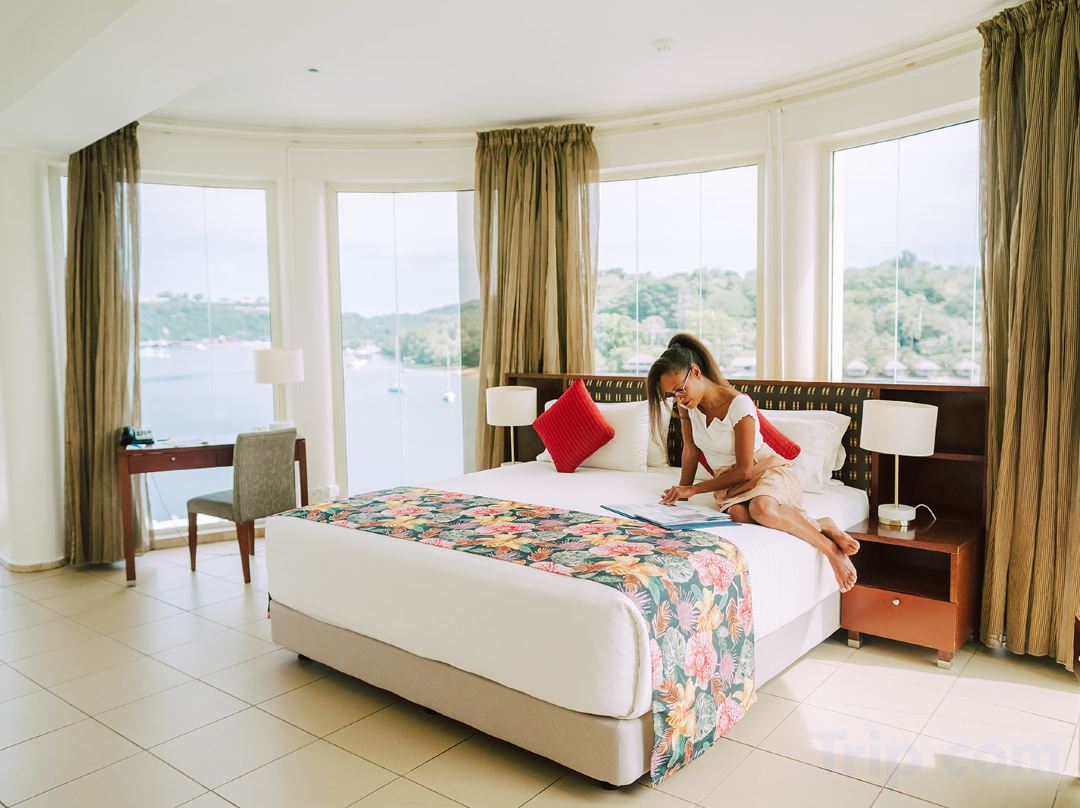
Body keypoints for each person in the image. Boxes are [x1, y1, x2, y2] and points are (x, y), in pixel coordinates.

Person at [646, 333, 859, 592]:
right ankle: (821, 523)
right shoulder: (687, 406)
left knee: (762, 510)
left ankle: (830, 550)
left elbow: (745, 470)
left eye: (680, 389)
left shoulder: (739, 404)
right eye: (672, 395)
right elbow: (690, 450)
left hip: (765, 470)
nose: (679, 398)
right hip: (729, 481)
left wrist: (693, 489)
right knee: (738, 514)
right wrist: (681, 495)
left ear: (696, 372)